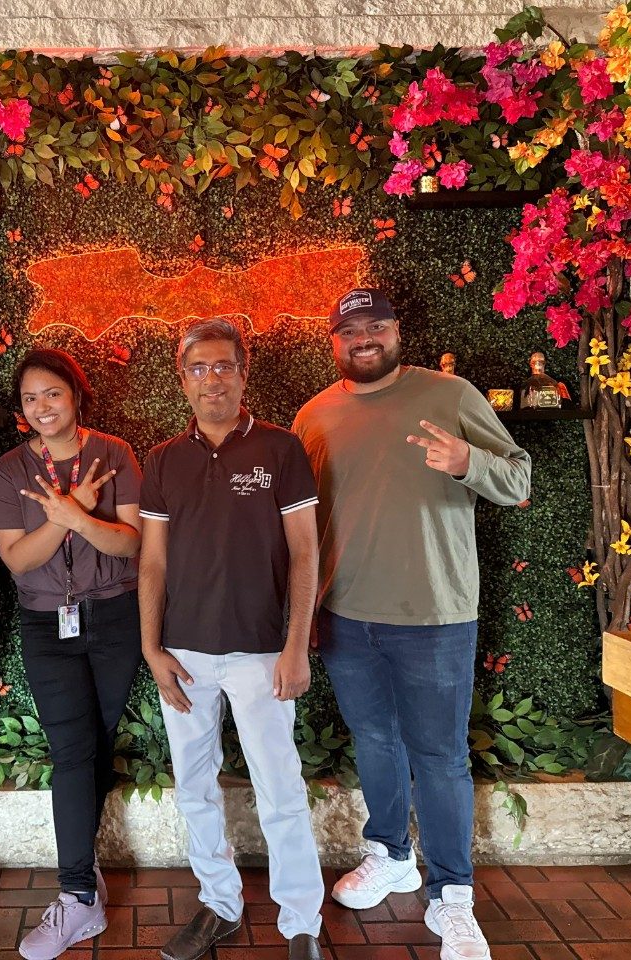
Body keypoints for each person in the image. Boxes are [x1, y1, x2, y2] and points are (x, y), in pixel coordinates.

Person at [292, 288, 532, 960]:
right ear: (333, 340)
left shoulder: (450, 396)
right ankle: (392, 854)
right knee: (375, 741)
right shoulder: (313, 416)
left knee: (441, 757)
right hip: (346, 615)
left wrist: (466, 463)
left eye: (376, 326)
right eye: (349, 330)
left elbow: (519, 481)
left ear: (396, 331)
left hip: (435, 614)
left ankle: (453, 897)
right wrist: (305, 610)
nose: (363, 339)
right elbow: (303, 525)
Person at [138, 318, 324, 960]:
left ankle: (302, 922)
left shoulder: (281, 450)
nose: (211, 378)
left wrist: (297, 644)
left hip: (262, 652)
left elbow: (305, 552)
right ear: (182, 380)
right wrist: (150, 647)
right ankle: (220, 904)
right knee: (193, 784)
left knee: (280, 786)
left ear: (244, 374)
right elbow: (153, 562)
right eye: (198, 368)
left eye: (223, 366)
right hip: (184, 655)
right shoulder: (162, 461)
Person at [0, 348, 144, 960]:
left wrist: (75, 514)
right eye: (29, 398)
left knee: (95, 743)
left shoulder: (116, 453)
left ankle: (85, 876)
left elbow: (131, 543)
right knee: (74, 747)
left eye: (52, 393)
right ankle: (79, 894)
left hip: (113, 618)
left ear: (77, 395)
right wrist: (67, 515)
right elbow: (17, 559)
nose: (41, 407)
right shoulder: (8, 469)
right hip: (45, 624)